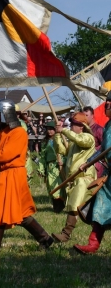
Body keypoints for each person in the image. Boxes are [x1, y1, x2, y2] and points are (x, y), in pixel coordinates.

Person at [0, 99, 53, 256]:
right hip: (5, 175)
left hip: (14, 175)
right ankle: (45, 238)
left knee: (0, 210)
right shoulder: (2, 131)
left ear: (5, 115)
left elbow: (5, 155)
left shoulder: (19, 133)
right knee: (21, 213)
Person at [74, 92, 111, 254]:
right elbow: (102, 150)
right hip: (110, 174)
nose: (107, 104)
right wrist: (89, 161)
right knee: (100, 205)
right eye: (107, 101)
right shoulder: (109, 126)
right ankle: (93, 244)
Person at [52, 112, 96, 242]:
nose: (71, 126)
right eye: (70, 124)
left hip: (85, 179)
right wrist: (57, 134)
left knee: (75, 205)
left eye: (74, 124)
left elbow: (80, 140)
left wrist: (64, 131)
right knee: (79, 208)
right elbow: (60, 149)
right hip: (74, 180)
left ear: (81, 126)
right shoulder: (72, 142)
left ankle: (65, 234)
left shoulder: (88, 138)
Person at [37, 121, 66, 213]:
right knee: (50, 186)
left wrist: (63, 161)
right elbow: (42, 157)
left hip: (58, 167)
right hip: (49, 167)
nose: (49, 131)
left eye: (51, 129)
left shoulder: (60, 139)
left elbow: (66, 152)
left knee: (57, 186)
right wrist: (41, 169)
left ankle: (59, 206)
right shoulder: (45, 142)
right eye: (48, 129)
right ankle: (55, 205)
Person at [83, 106, 104, 177]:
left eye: (87, 115)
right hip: (84, 163)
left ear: (92, 116)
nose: (85, 117)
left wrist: (94, 150)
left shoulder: (99, 129)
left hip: (97, 164)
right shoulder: (83, 130)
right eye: (83, 115)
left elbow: (104, 145)